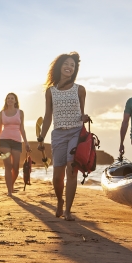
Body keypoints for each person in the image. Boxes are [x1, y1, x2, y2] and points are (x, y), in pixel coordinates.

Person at [37, 52, 90, 221]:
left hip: (75, 132)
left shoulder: (80, 89)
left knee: (71, 170)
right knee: (57, 175)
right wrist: (41, 137)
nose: (69, 67)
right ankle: (60, 201)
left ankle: (68, 210)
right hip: (58, 134)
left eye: (73, 65)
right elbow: (47, 116)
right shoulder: (50, 91)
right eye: (67, 64)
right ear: (59, 66)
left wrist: (84, 117)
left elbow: (81, 114)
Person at [0, 93, 32, 196]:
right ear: (6, 100)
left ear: (15, 101)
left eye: (12, 98)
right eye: (8, 98)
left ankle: (11, 185)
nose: (10, 100)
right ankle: (9, 191)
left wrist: (26, 142)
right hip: (4, 141)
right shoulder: (1, 113)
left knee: (15, 167)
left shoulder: (20, 113)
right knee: (8, 166)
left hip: (17, 141)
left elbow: (22, 128)